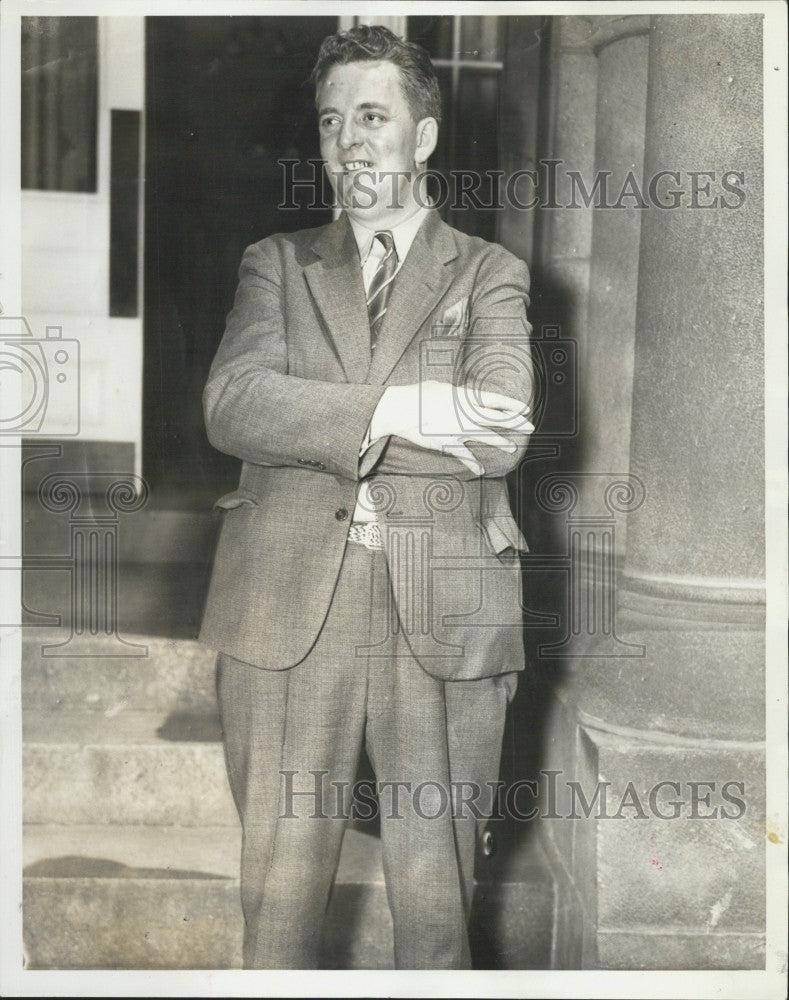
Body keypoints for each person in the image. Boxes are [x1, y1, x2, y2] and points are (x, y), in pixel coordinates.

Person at [199, 23, 534, 970]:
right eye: (331, 120)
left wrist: (325, 425)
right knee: (277, 922)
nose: (349, 140)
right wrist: (412, 405)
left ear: (420, 138)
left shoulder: (489, 273)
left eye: (373, 116)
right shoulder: (277, 265)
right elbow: (233, 404)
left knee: (436, 928)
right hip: (287, 610)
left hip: (442, 614)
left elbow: (501, 424)